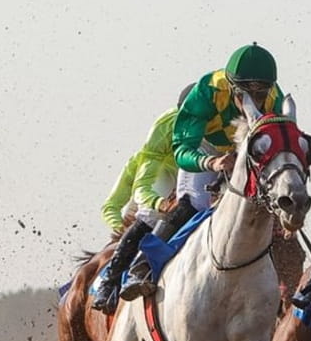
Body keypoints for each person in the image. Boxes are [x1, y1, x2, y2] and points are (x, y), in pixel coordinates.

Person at [90, 44, 293, 313]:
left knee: (262, 203)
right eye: (246, 93)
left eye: (261, 93)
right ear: (231, 86)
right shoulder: (207, 91)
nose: (254, 101)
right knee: (193, 203)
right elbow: (183, 150)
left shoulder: (275, 98)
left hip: (242, 147)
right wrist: (211, 162)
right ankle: (136, 267)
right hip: (203, 148)